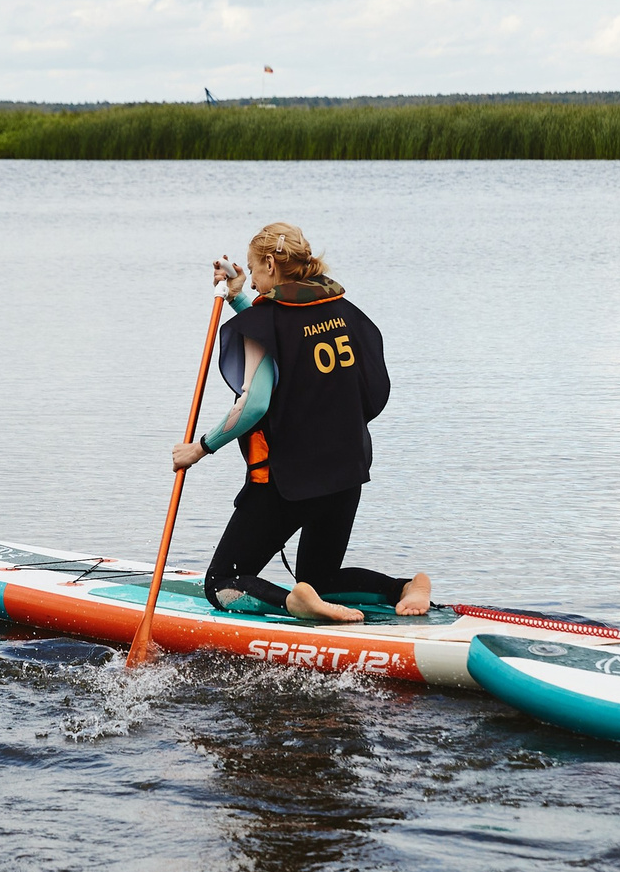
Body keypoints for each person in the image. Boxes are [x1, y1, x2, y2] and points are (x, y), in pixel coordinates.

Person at [169, 222, 433, 624]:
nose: (253, 282)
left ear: (272, 265)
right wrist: (241, 299)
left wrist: (200, 448)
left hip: (290, 480)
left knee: (224, 580)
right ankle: (403, 587)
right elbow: (290, 339)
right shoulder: (340, 309)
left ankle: (293, 603)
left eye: (255, 271)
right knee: (321, 578)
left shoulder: (268, 320)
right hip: (346, 469)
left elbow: (253, 405)